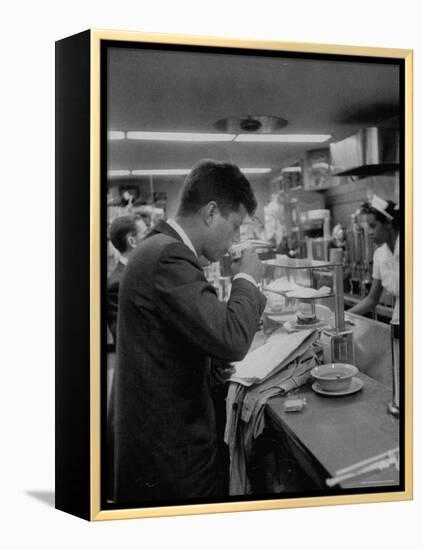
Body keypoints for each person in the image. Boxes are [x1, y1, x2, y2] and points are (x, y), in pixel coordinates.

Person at [113, 159, 267, 503]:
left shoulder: (155, 249)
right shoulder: (170, 257)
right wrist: (247, 277)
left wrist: (208, 368)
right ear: (211, 213)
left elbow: (164, 345)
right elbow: (231, 339)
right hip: (171, 460)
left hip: (156, 446)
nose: (235, 241)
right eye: (236, 226)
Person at [348, 195, 400, 322]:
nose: (370, 232)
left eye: (373, 226)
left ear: (387, 223)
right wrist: (342, 316)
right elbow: (371, 299)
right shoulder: (380, 255)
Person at [107, 214, 147, 346]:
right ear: (132, 241)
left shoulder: (144, 270)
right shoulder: (116, 284)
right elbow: (123, 335)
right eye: (145, 233)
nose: (150, 238)